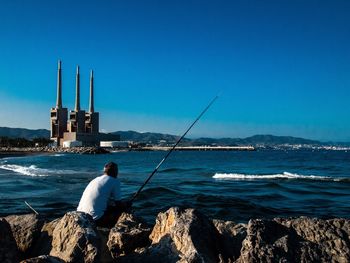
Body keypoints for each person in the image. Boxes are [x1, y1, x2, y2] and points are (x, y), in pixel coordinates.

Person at [77, 162, 131, 227]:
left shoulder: (95, 179)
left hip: (80, 216)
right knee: (122, 210)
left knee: (110, 207)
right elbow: (118, 203)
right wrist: (126, 205)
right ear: (115, 171)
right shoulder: (114, 181)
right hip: (96, 219)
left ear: (104, 171)